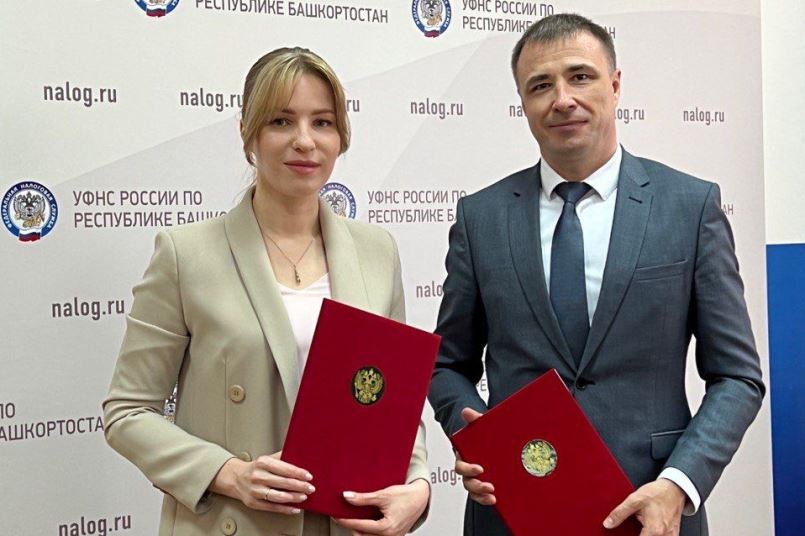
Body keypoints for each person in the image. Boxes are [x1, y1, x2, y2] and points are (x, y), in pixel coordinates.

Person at [427, 14, 764, 536]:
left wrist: (679, 482)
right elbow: (447, 365)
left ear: (615, 84)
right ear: (522, 102)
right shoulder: (481, 218)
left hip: (649, 509)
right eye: (541, 85)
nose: (562, 99)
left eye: (580, 76)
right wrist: (475, 435)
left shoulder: (690, 207)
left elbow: (737, 377)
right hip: (512, 510)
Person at [103, 47, 430, 536]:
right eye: (281, 121)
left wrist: (418, 484)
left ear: (341, 136)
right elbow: (127, 412)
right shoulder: (185, 253)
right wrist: (230, 474)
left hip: (345, 523)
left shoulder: (377, 251)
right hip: (234, 521)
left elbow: (394, 401)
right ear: (248, 133)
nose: (305, 141)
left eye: (322, 122)